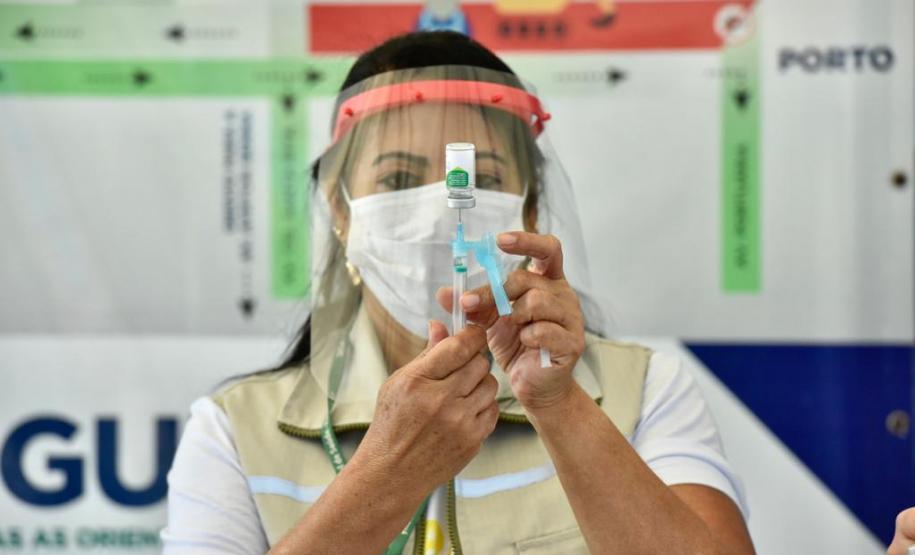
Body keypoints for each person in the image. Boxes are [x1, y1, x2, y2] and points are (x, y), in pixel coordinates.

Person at [161, 30, 755, 554]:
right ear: (341, 211)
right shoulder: (236, 431)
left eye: (481, 177)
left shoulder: (644, 393)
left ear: (527, 206)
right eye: (396, 178)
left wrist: (560, 407)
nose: (446, 207)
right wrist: (386, 477)